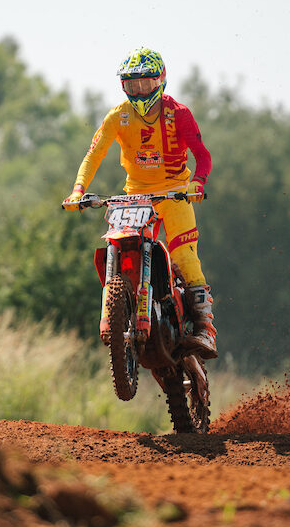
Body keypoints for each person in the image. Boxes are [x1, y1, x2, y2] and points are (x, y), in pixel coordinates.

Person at [63, 47, 217, 359]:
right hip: (135, 195)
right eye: (132, 86)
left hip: (175, 192)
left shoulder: (180, 113)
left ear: (160, 81)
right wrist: (78, 190)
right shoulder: (117, 116)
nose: (140, 91)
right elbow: (94, 154)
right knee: (120, 245)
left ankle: (204, 328)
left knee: (185, 257)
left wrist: (196, 183)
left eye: (145, 84)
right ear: (123, 87)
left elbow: (202, 156)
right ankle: (123, 308)